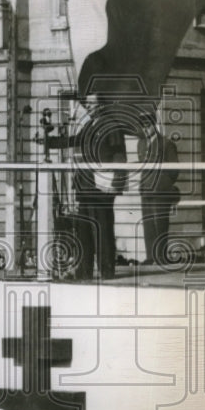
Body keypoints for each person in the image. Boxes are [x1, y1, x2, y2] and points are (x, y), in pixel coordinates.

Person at [68, 93, 127, 280]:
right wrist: (49, 141)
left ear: (102, 104)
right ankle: (83, 271)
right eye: (88, 103)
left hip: (101, 187)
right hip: (85, 187)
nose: (89, 106)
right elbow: (75, 141)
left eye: (93, 103)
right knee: (83, 229)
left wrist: (117, 182)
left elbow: (119, 155)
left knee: (102, 227)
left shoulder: (111, 125)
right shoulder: (88, 126)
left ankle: (106, 270)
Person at [137, 113, 180, 265]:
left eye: (147, 125)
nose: (145, 128)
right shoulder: (141, 144)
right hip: (145, 189)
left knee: (160, 224)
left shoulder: (166, 144)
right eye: (142, 125)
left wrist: (163, 183)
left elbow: (174, 170)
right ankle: (151, 257)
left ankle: (161, 257)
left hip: (161, 190)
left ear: (154, 124)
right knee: (148, 224)